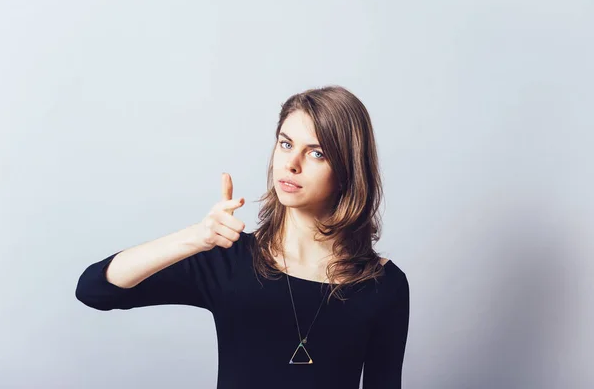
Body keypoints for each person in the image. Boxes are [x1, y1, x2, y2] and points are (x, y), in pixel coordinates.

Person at [75, 85, 410, 389]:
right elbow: (95, 289)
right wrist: (196, 237)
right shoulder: (231, 259)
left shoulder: (384, 286)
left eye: (316, 152)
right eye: (286, 143)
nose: (291, 163)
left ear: (348, 171)